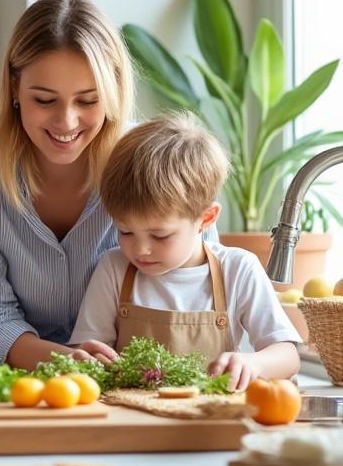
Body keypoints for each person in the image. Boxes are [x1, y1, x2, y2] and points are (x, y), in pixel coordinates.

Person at [0, 0, 218, 370]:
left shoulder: (155, 159)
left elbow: (204, 276)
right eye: (44, 100)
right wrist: (69, 362)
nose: (66, 122)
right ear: (14, 89)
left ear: (113, 93)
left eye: (87, 101)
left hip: (142, 382)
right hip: (16, 386)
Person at [68, 113, 301, 391]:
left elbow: (288, 356)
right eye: (125, 231)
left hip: (211, 423)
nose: (140, 249)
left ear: (206, 218)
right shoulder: (114, 268)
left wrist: (253, 363)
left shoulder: (238, 269)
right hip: (131, 421)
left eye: (160, 235)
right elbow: (87, 350)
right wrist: (89, 358)